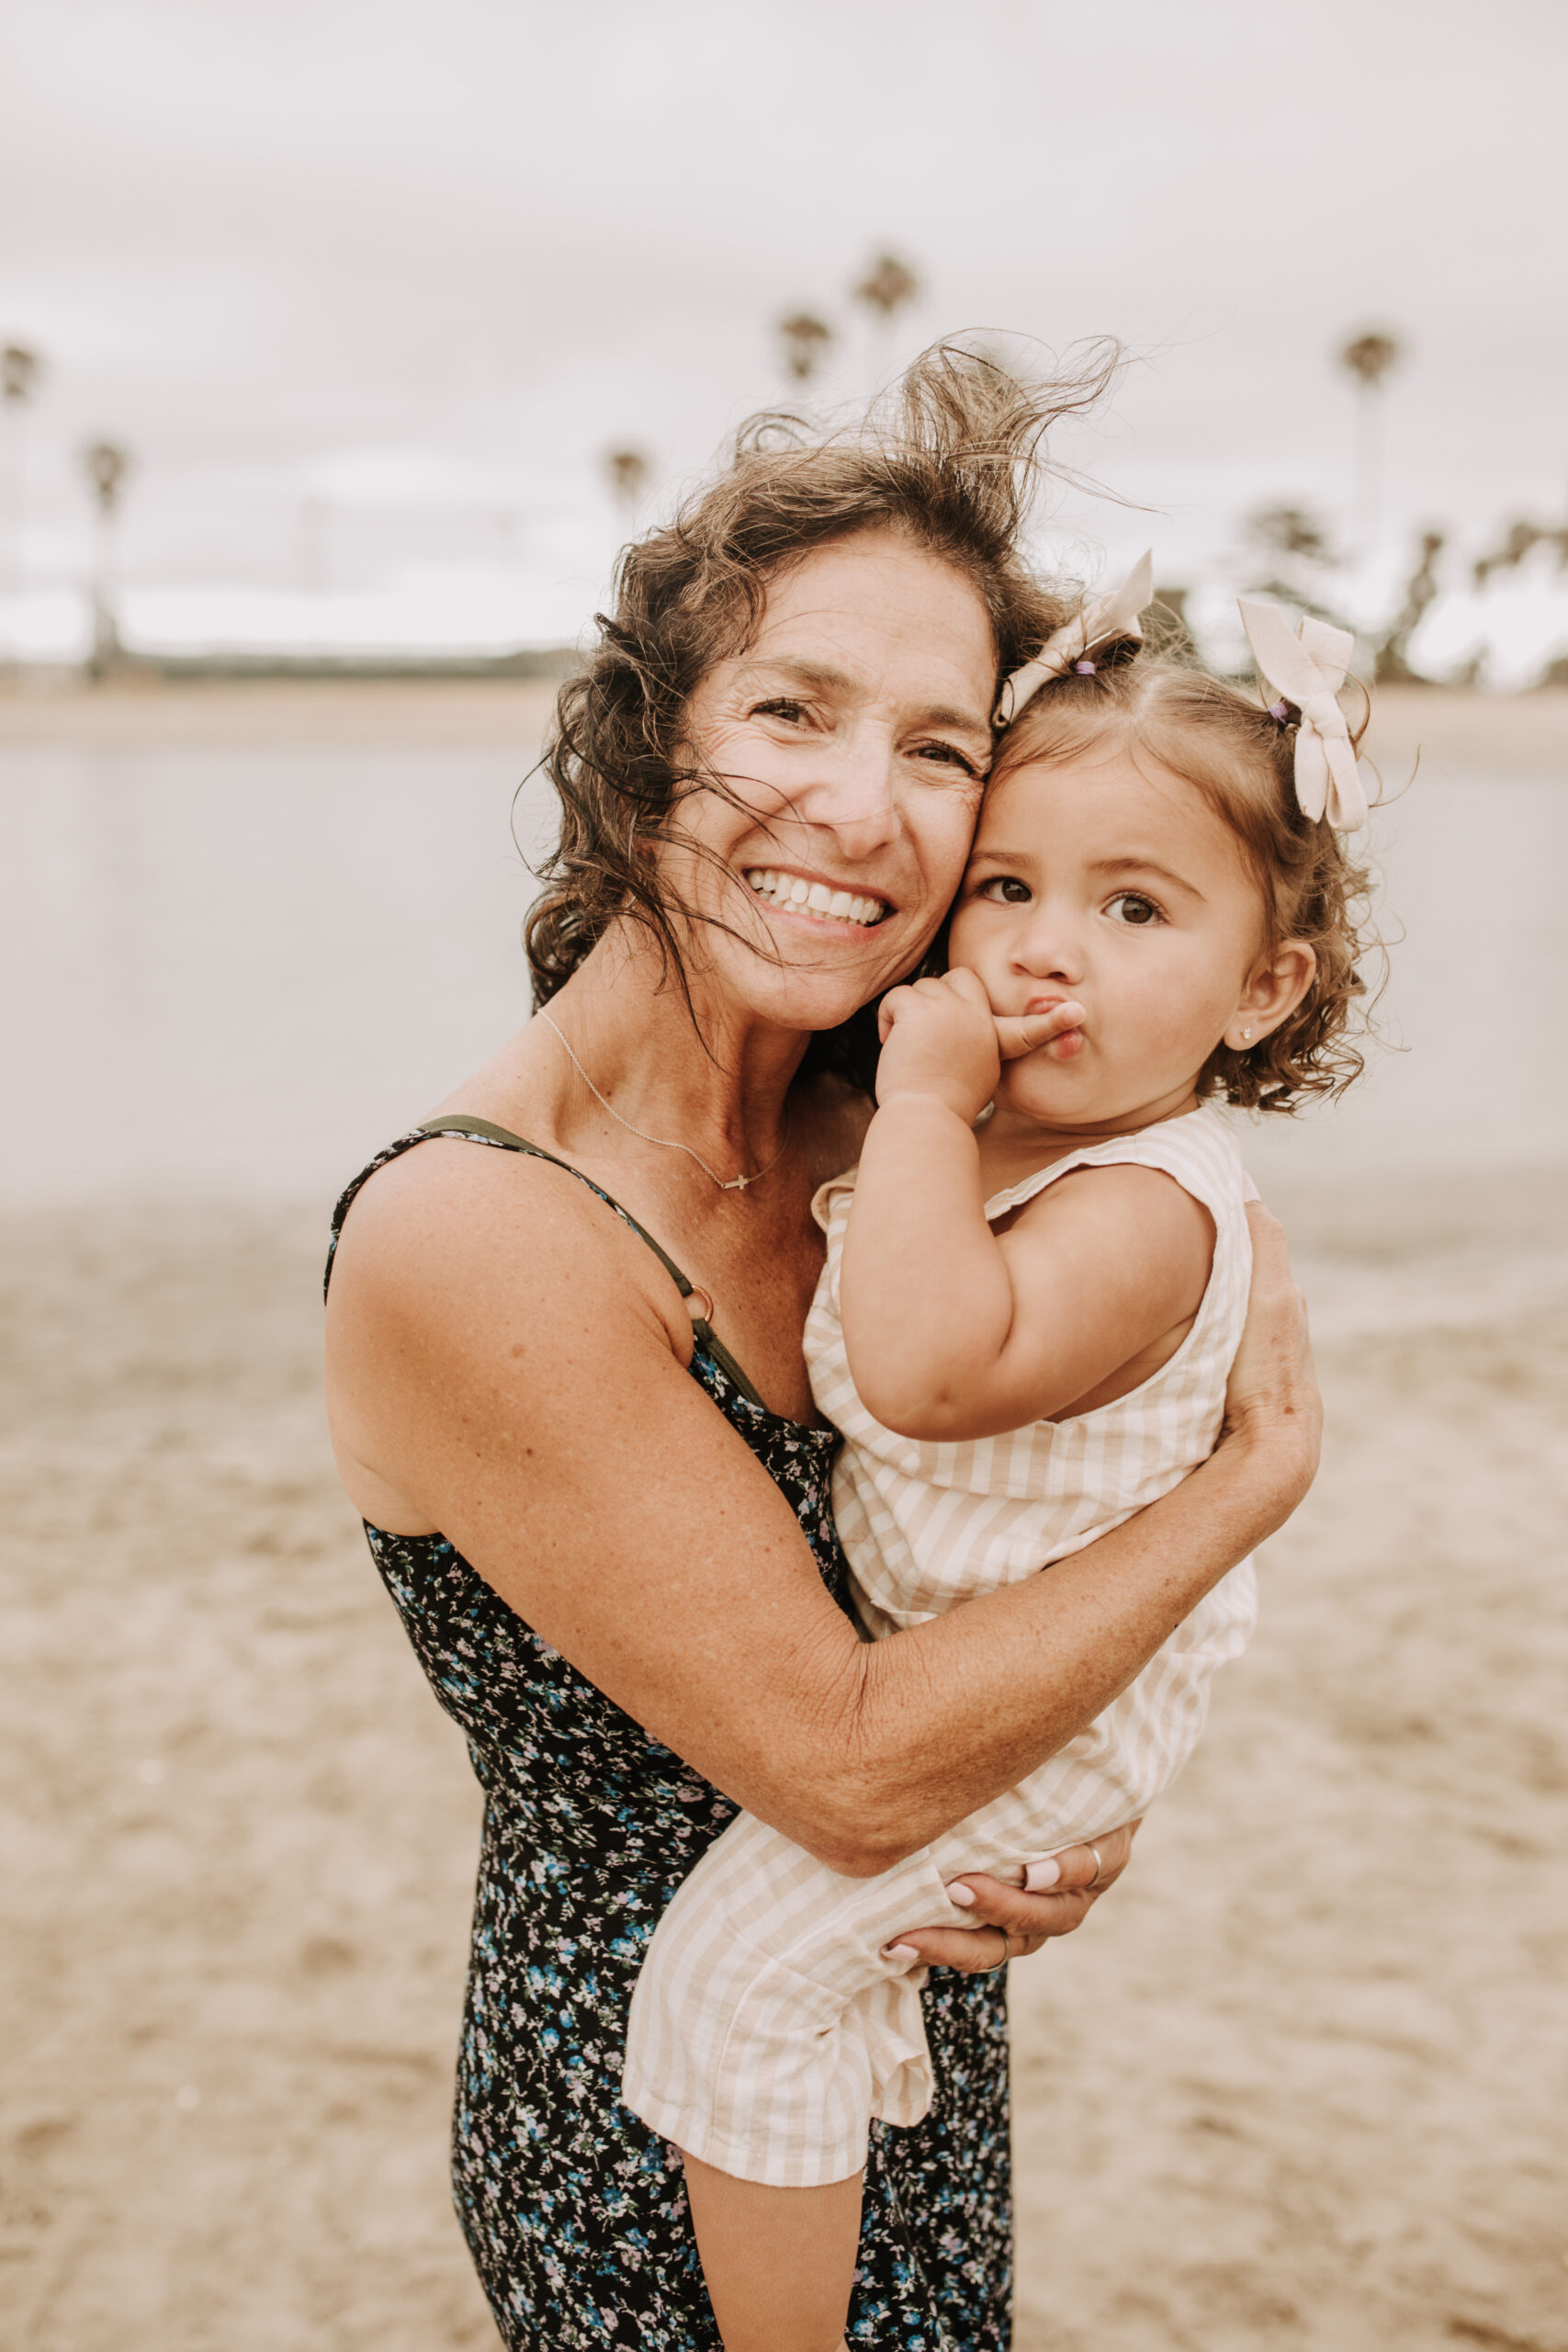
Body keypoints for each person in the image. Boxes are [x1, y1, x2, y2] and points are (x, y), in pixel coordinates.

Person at [321, 348, 1321, 2352]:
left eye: (941, 750)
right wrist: (1248, 1488)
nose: (859, 809)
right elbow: (852, 1766)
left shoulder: (890, 1129)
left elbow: (1011, 1526)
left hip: (905, 2037)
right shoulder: (475, 1228)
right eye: (788, 709)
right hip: (646, 2143)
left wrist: (1058, 1811)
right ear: (642, 745)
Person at [621, 579, 1375, 2351]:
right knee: (789, 1975)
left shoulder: (1141, 1208)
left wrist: (930, 1107)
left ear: (1264, 988)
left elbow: (930, 1363)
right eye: (1011, 892)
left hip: (1041, 1713)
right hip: (989, 1682)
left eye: (1134, 909)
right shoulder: (1038, 1144)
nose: (1047, 952)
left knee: (724, 1989)